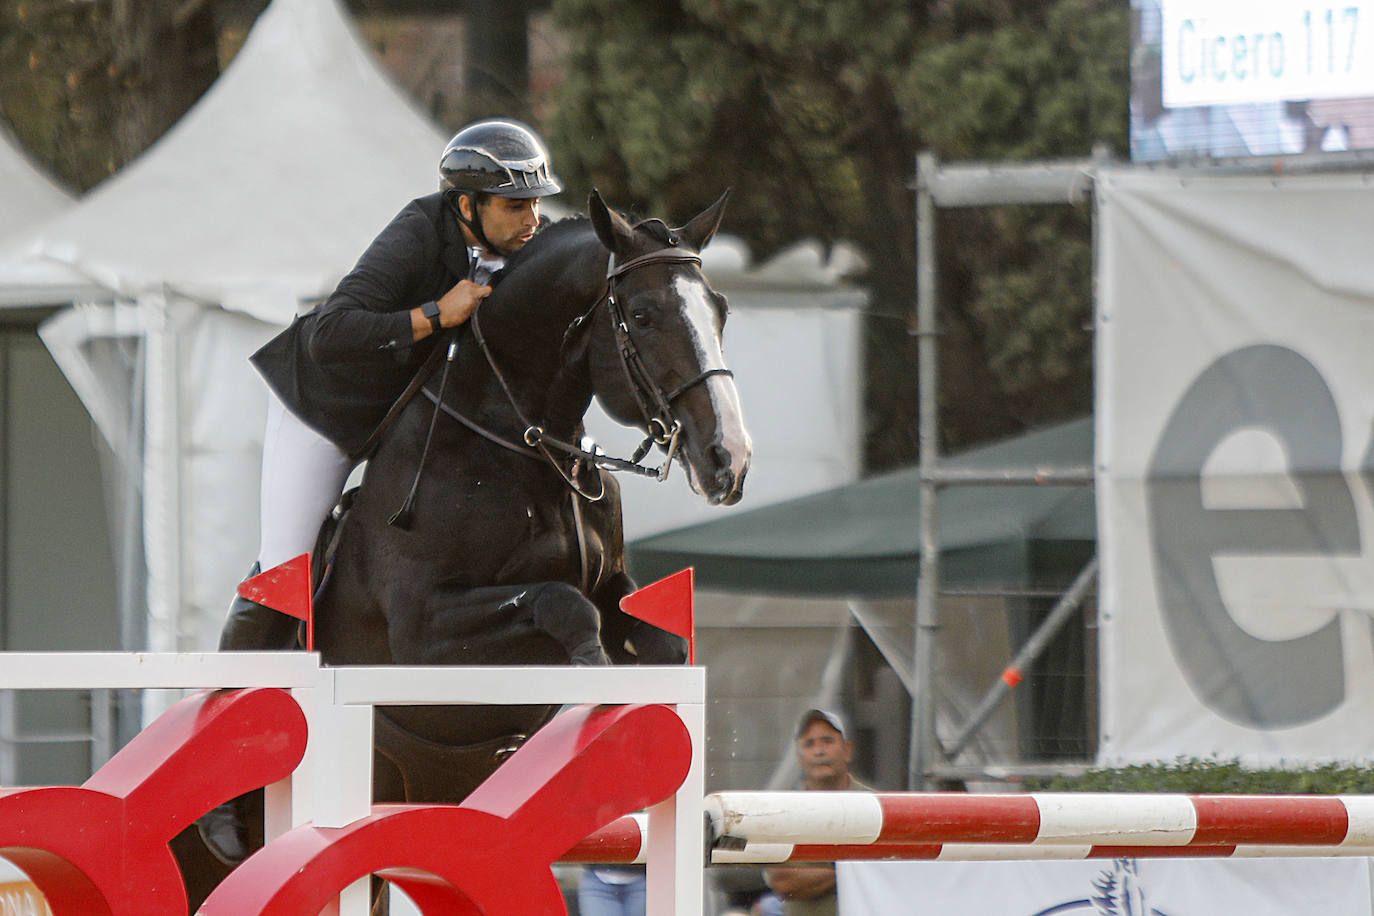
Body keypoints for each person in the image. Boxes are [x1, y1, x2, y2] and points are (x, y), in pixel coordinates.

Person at [197, 118, 562, 866]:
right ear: (466, 204)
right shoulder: (417, 234)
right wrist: (435, 313)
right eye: (513, 207)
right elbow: (335, 330)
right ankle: (221, 779)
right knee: (283, 571)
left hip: (413, 421)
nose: (531, 222)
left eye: (534, 207)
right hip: (327, 409)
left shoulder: (528, 243)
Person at [761, 708, 871, 916]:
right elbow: (784, 881)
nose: (819, 751)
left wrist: (822, 873)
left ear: (847, 750)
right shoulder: (783, 811)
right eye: (809, 744)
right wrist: (854, 869)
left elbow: (888, 874)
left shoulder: (875, 805)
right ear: (799, 757)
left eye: (827, 741)